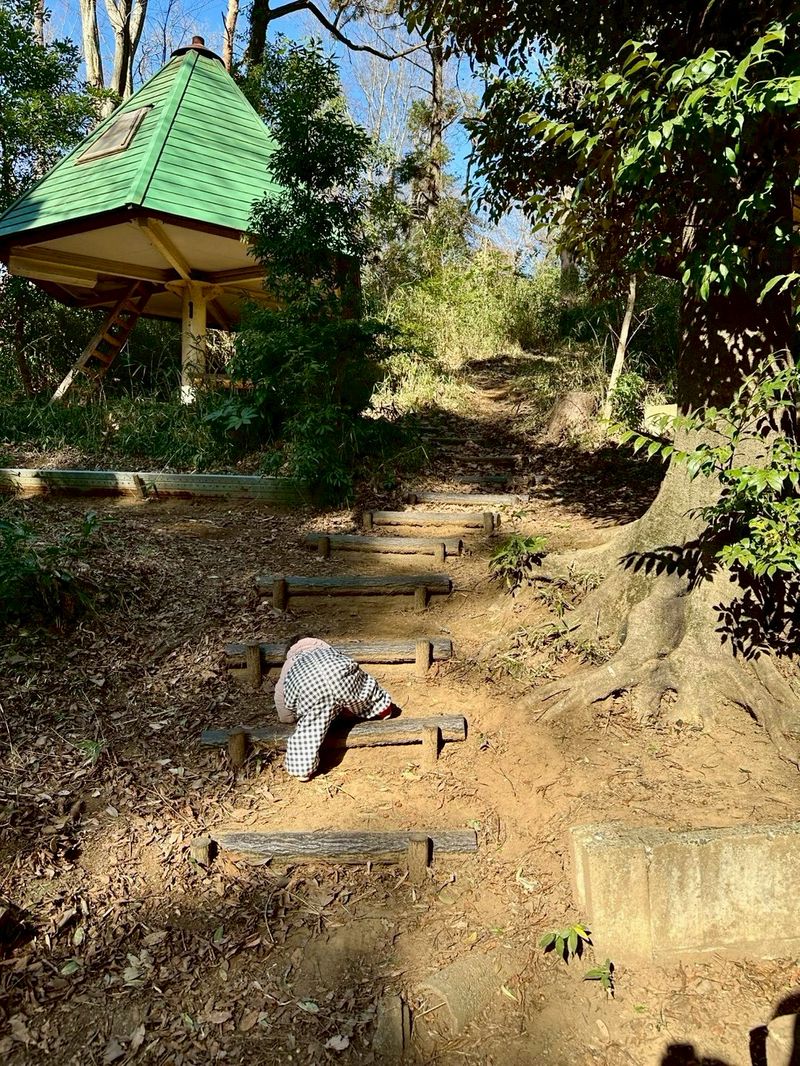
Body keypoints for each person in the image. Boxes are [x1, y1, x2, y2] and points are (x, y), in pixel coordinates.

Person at [274, 637, 398, 781]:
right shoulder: (328, 651)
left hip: (312, 689)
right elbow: (356, 671)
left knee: (311, 726)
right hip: (339, 676)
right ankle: (381, 707)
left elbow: (280, 695)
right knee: (360, 685)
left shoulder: (290, 663)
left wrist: (288, 717)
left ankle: (302, 767)